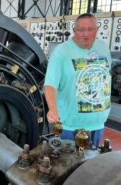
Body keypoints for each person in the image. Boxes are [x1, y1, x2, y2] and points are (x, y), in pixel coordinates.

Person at [44, 13, 112, 148]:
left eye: (90, 29)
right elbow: (50, 84)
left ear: (96, 30)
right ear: (74, 31)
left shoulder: (103, 48)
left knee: (92, 165)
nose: (86, 34)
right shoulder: (61, 52)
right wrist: (52, 109)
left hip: (97, 126)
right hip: (70, 128)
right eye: (81, 30)